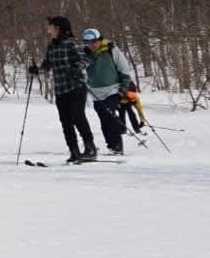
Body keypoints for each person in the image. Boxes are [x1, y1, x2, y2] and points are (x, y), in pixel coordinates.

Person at [28, 16, 96, 163]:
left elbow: (86, 59)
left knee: (77, 116)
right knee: (66, 121)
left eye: (50, 26)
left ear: (58, 28)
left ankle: (90, 148)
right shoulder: (52, 46)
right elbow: (47, 65)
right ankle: (74, 152)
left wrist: (76, 68)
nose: (48, 28)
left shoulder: (71, 44)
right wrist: (36, 70)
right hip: (60, 89)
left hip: (76, 87)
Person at [81, 28, 137, 156]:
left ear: (99, 40)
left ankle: (117, 146)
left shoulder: (112, 50)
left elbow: (124, 68)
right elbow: (81, 69)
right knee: (104, 120)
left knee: (110, 117)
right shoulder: (85, 54)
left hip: (113, 90)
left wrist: (124, 86)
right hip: (96, 93)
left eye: (93, 42)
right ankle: (111, 146)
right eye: (87, 42)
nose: (91, 45)